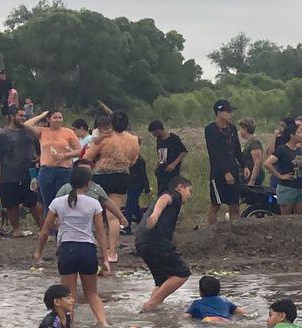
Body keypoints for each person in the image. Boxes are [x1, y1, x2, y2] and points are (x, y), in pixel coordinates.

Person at [34, 165, 108, 326]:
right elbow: (101, 233)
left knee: (69, 295)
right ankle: (104, 325)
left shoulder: (57, 202)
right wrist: (106, 258)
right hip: (87, 249)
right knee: (92, 293)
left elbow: (45, 231)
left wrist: (38, 252)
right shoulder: (93, 203)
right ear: (88, 183)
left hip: (67, 250)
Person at [88, 111, 139, 265]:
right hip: (122, 176)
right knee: (113, 215)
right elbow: (133, 160)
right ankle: (112, 252)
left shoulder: (105, 138)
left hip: (101, 175)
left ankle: (95, 246)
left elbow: (88, 156)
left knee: (95, 213)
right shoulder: (134, 139)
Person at [137, 176, 193, 311]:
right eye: (189, 191)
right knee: (183, 272)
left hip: (142, 241)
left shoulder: (169, 199)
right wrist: (155, 215)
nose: (189, 195)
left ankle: (152, 310)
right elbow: (165, 199)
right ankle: (151, 305)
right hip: (155, 240)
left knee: (161, 280)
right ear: (180, 187)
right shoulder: (174, 195)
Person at [0, 109, 41, 236]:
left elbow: (40, 148)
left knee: (34, 202)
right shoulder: (2, 135)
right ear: (12, 116)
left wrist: (40, 158)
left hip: (30, 174)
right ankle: (16, 229)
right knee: (11, 204)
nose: (23, 118)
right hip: (9, 174)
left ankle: (43, 228)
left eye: (24, 116)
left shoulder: (30, 132)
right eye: (20, 115)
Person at [30, 110, 81, 212]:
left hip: (64, 170)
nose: (58, 120)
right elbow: (26, 125)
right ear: (49, 119)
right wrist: (42, 115)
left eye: (60, 118)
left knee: (64, 201)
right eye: (55, 117)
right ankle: (50, 226)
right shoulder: (42, 131)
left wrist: (65, 155)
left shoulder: (68, 132)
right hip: (46, 170)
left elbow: (79, 150)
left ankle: (63, 226)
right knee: (48, 203)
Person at [267, 122, 302, 215]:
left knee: (300, 217)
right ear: (292, 135)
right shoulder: (282, 149)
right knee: (286, 218)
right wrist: (280, 176)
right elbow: (267, 163)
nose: (300, 135)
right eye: (298, 133)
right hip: (287, 187)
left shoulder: (299, 149)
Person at [149, 120, 187, 197]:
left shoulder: (173, 138)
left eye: (154, 132)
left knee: (171, 192)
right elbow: (161, 155)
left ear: (158, 130)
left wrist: (173, 164)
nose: (153, 135)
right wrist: (157, 165)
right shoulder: (159, 140)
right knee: (161, 193)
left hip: (172, 172)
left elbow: (183, 152)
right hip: (161, 170)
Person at [239, 118, 266, 188]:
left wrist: (252, 180)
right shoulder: (248, 142)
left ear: (245, 129)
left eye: (241, 129)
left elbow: (257, 162)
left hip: (253, 175)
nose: (239, 131)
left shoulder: (254, 142)